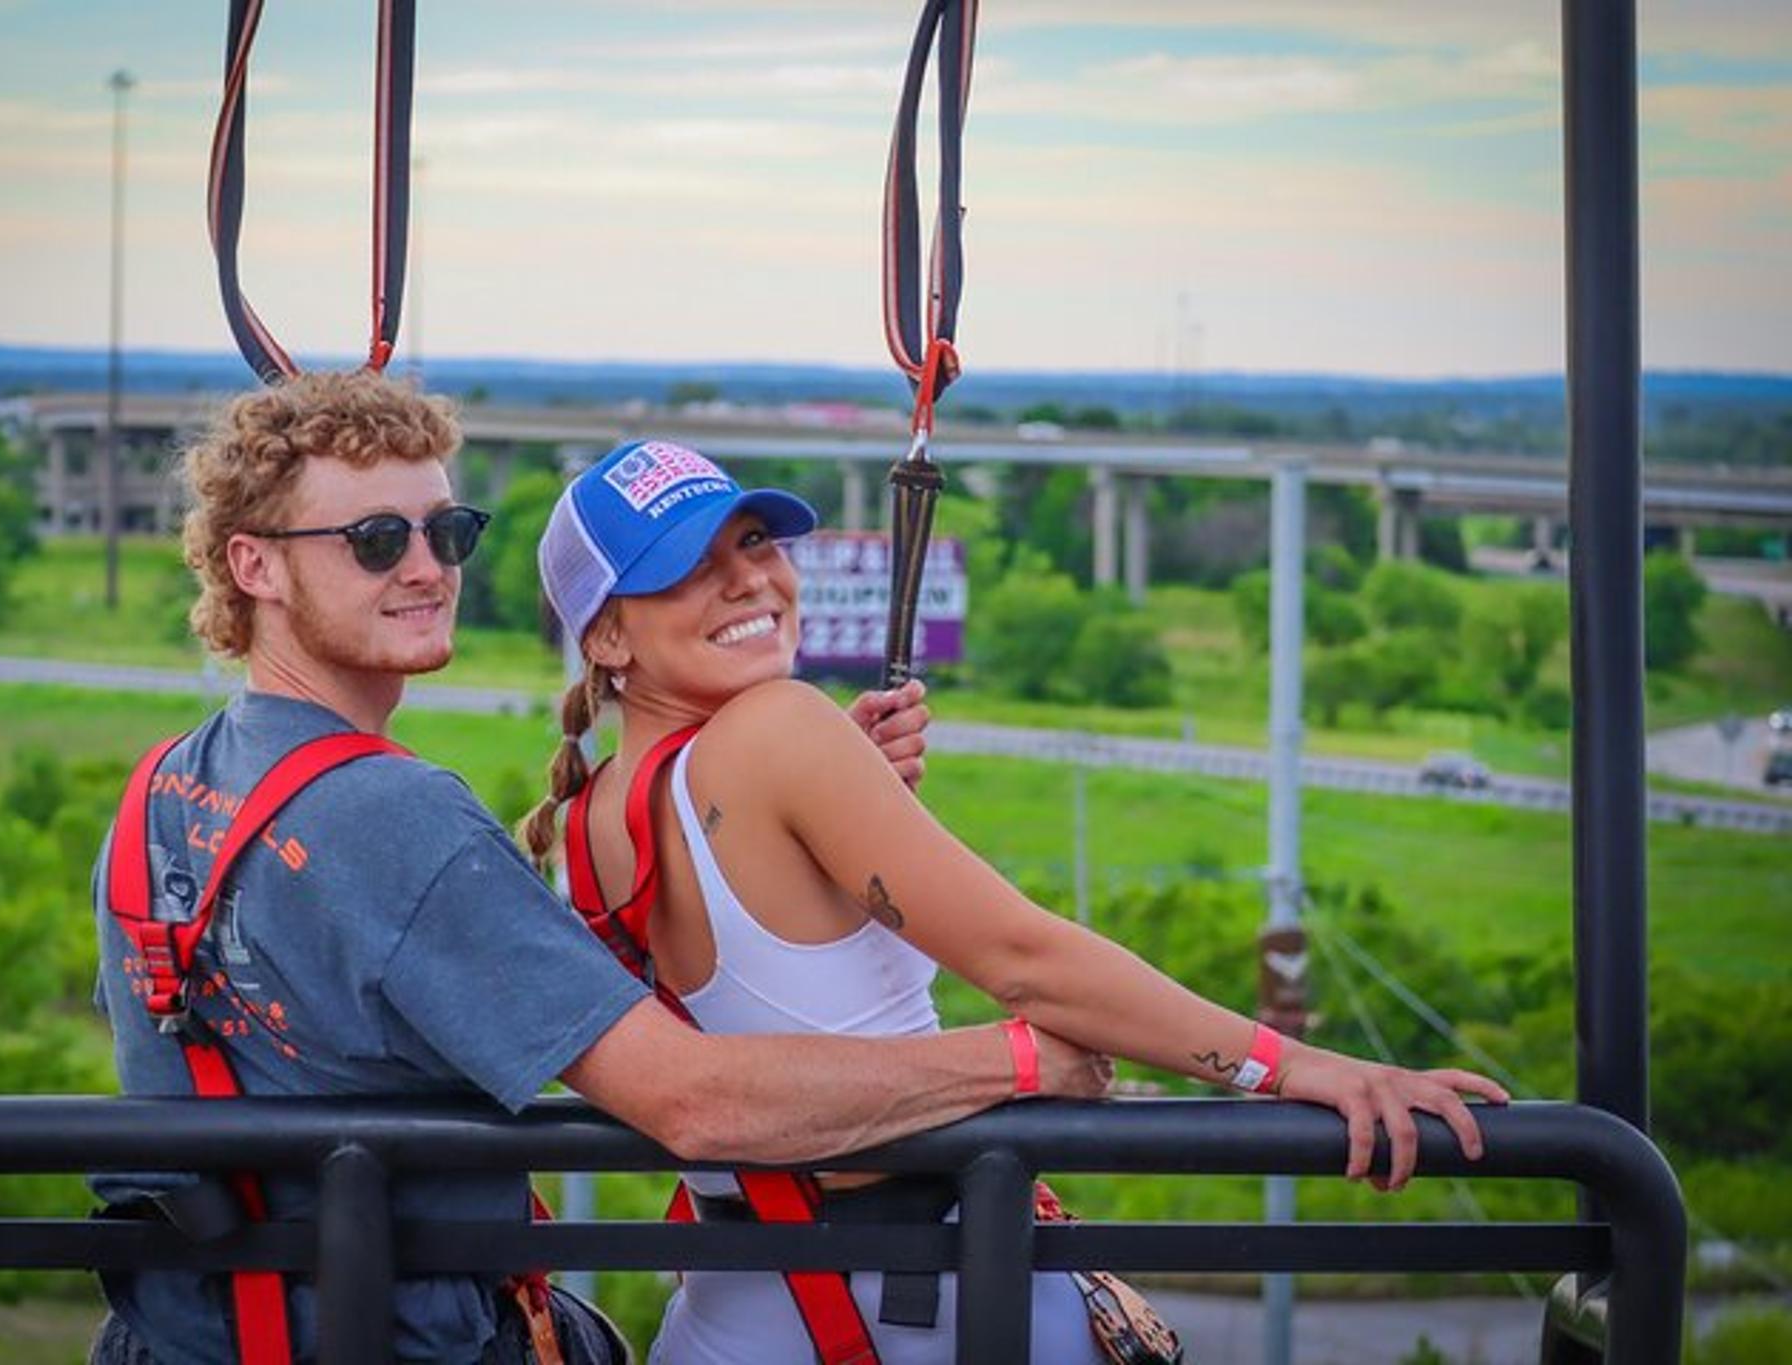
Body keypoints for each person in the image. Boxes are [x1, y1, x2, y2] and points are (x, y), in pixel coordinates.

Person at [87, 371, 1116, 1365]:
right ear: (254, 567)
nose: (425, 568)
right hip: (390, 1335)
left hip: (177, 1330)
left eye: (447, 532)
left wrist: (788, 814)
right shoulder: (394, 815)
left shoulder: (164, 794)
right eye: (372, 540)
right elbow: (693, 1103)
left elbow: (443, 964)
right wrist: (1020, 1064)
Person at [525, 439, 1514, 1365]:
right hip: (933, 1301)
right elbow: (1020, 958)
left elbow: (759, 962)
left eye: (751, 543)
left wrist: (847, 794)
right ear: (607, 632)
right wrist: (1293, 1065)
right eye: (687, 568)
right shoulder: (778, 728)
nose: (747, 579)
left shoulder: (590, 812)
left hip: (735, 1314)